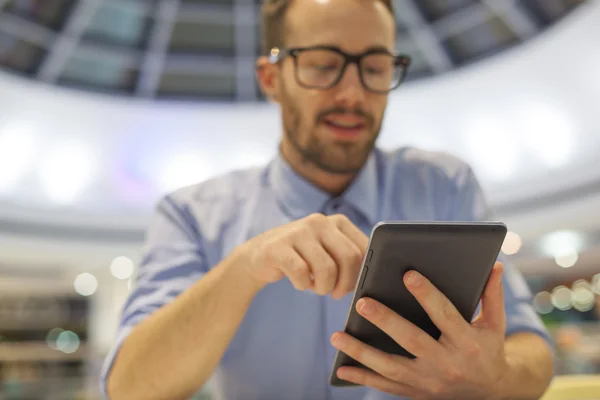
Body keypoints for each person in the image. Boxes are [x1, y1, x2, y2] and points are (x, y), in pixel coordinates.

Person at [102, 0, 555, 399]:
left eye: (375, 68)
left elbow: (531, 352)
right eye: (322, 65)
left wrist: (494, 379)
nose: (352, 94)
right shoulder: (192, 215)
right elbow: (130, 388)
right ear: (270, 78)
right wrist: (245, 266)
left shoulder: (444, 185)